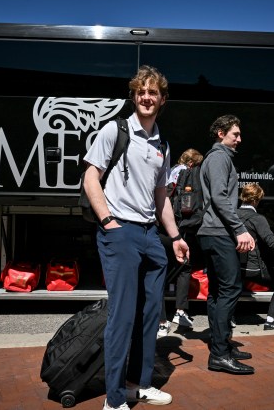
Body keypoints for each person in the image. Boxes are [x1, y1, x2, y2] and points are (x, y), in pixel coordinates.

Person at [82, 65, 189, 410]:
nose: (146, 97)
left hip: (150, 236)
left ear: (162, 99)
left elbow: (161, 197)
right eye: (141, 91)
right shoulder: (115, 131)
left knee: (151, 316)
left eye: (153, 92)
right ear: (133, 96)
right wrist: (108, 221)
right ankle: (114, 401)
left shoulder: (163, 144)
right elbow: (90, 178)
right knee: (123, 316)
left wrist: (174, 236)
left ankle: (137, 384)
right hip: (121, 232)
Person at [197, 114, 256, 375]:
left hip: (211, 233)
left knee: (217, 292)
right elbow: (221, 198)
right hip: (219, 233)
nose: (240, 139)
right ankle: (220, 354)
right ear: (220, 133)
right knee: (231, 288)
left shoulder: (216, 158)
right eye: (235, 134)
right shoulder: (219, 158)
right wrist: (239, 229)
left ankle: (221, 345)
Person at [237, 183, 274, 330]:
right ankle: (270, 321)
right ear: (256, 200)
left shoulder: (232, 215)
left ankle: (227, 319)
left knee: (229, 290)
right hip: (253, 266)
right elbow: (272, 243)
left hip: (234, 265)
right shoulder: (258, 218)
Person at [158, 148, 204, 338]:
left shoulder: (171, 171)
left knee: (159, 272)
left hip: (163, 228)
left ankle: (161, 321)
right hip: (179, 228)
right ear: (192, 163)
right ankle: (180, 311)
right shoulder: (186, 173)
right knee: (184, 267)